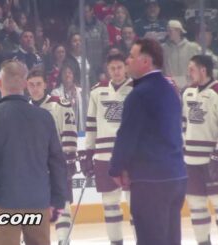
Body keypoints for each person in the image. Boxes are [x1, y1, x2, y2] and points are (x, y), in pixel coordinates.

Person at [0, 60, 68, 245]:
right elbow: (57, 161)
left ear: (0, 84)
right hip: (38, 201)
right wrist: (58, 199)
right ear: (25, 84)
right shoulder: (44, 117)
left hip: (2, 202)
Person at [109, 38, 187, 245]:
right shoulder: (170, 89)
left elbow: (127, 135)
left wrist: (116, 168)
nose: (127, 60)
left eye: (132, 56)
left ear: (145, 62)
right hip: (176, 176)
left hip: (151, 180)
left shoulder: (140, 94)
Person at [183, 55, 218, 245]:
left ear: (203, 70)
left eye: (191, 69)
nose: (189, 73)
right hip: (191, 161)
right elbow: (184, 125)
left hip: (215, 160)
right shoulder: (187, 92)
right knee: (196, 206)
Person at [79, 53, 133, 245]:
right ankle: (115, 242)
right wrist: (88, 152)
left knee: (136, 205)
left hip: (131, 157)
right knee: (110, 204)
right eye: (112, 68)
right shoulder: (97, 91)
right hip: (103, 156)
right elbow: (91, 125)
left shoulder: (137, 89)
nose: (116, 72)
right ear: (107, 70)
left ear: (125, 67)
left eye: (119, 67)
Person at [27, 69, 77, 245]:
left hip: (56, 165)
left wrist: (69, 160)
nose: (35, 88)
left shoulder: (59, 104)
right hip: (33, 168)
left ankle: (64, 240)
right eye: (31, 85)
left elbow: (69, 132)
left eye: (38, 84)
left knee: (62, 204)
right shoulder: (24, 109)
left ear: (46, 85)